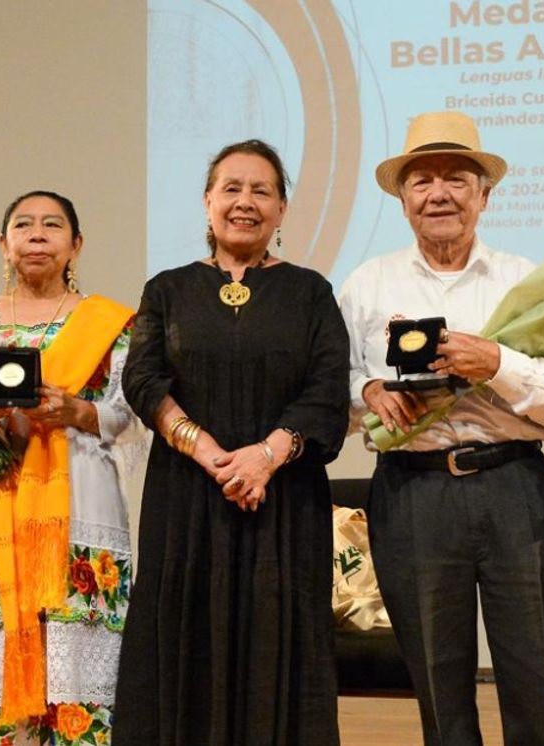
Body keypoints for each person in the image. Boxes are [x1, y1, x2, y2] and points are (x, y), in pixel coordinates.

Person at [339, 110, 544, 746]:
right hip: (411, 492)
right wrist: (367, 390)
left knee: (537, 673)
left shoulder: (528, 281)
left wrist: (497, 363)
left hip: (514, 488)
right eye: (421, 180)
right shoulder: (368, 284)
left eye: (457, 178)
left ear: (485, 194)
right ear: (402, 200)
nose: (439, 193)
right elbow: (329, 390)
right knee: (437, 681)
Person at [114, 139, 350, 746]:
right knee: (183, 648)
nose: (245, 203)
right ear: (207, 202)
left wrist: (267, 455)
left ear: (282, 210)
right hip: (186, 502)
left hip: (284, 506)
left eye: (261, 191)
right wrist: (204, 450)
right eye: (232, 189)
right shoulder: (167, 289)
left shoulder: (311, 292)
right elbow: (141, 377)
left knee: (280, 646)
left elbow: (327, 391)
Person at [0, 191, 138, 745]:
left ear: (76, 245)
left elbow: (128, 411)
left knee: (77, 687)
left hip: (78, 511)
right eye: (23, 225)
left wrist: (76, 410)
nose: (37, 235)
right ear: (4, 243)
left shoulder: (110, 324)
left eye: (52, 225)